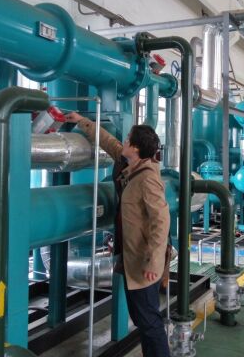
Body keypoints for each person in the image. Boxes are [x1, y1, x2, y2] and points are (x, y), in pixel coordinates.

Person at [65, 112, 171, 357]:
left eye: (128, 139)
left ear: (135, 148)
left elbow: (161, 221)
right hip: (133, 257)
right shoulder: (128, 163)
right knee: (143, 318)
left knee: (149, 321)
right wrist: (81, 121)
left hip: (145, 262)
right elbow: (109, 142)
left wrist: (154, 262)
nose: (123, 141)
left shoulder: (147, 179)